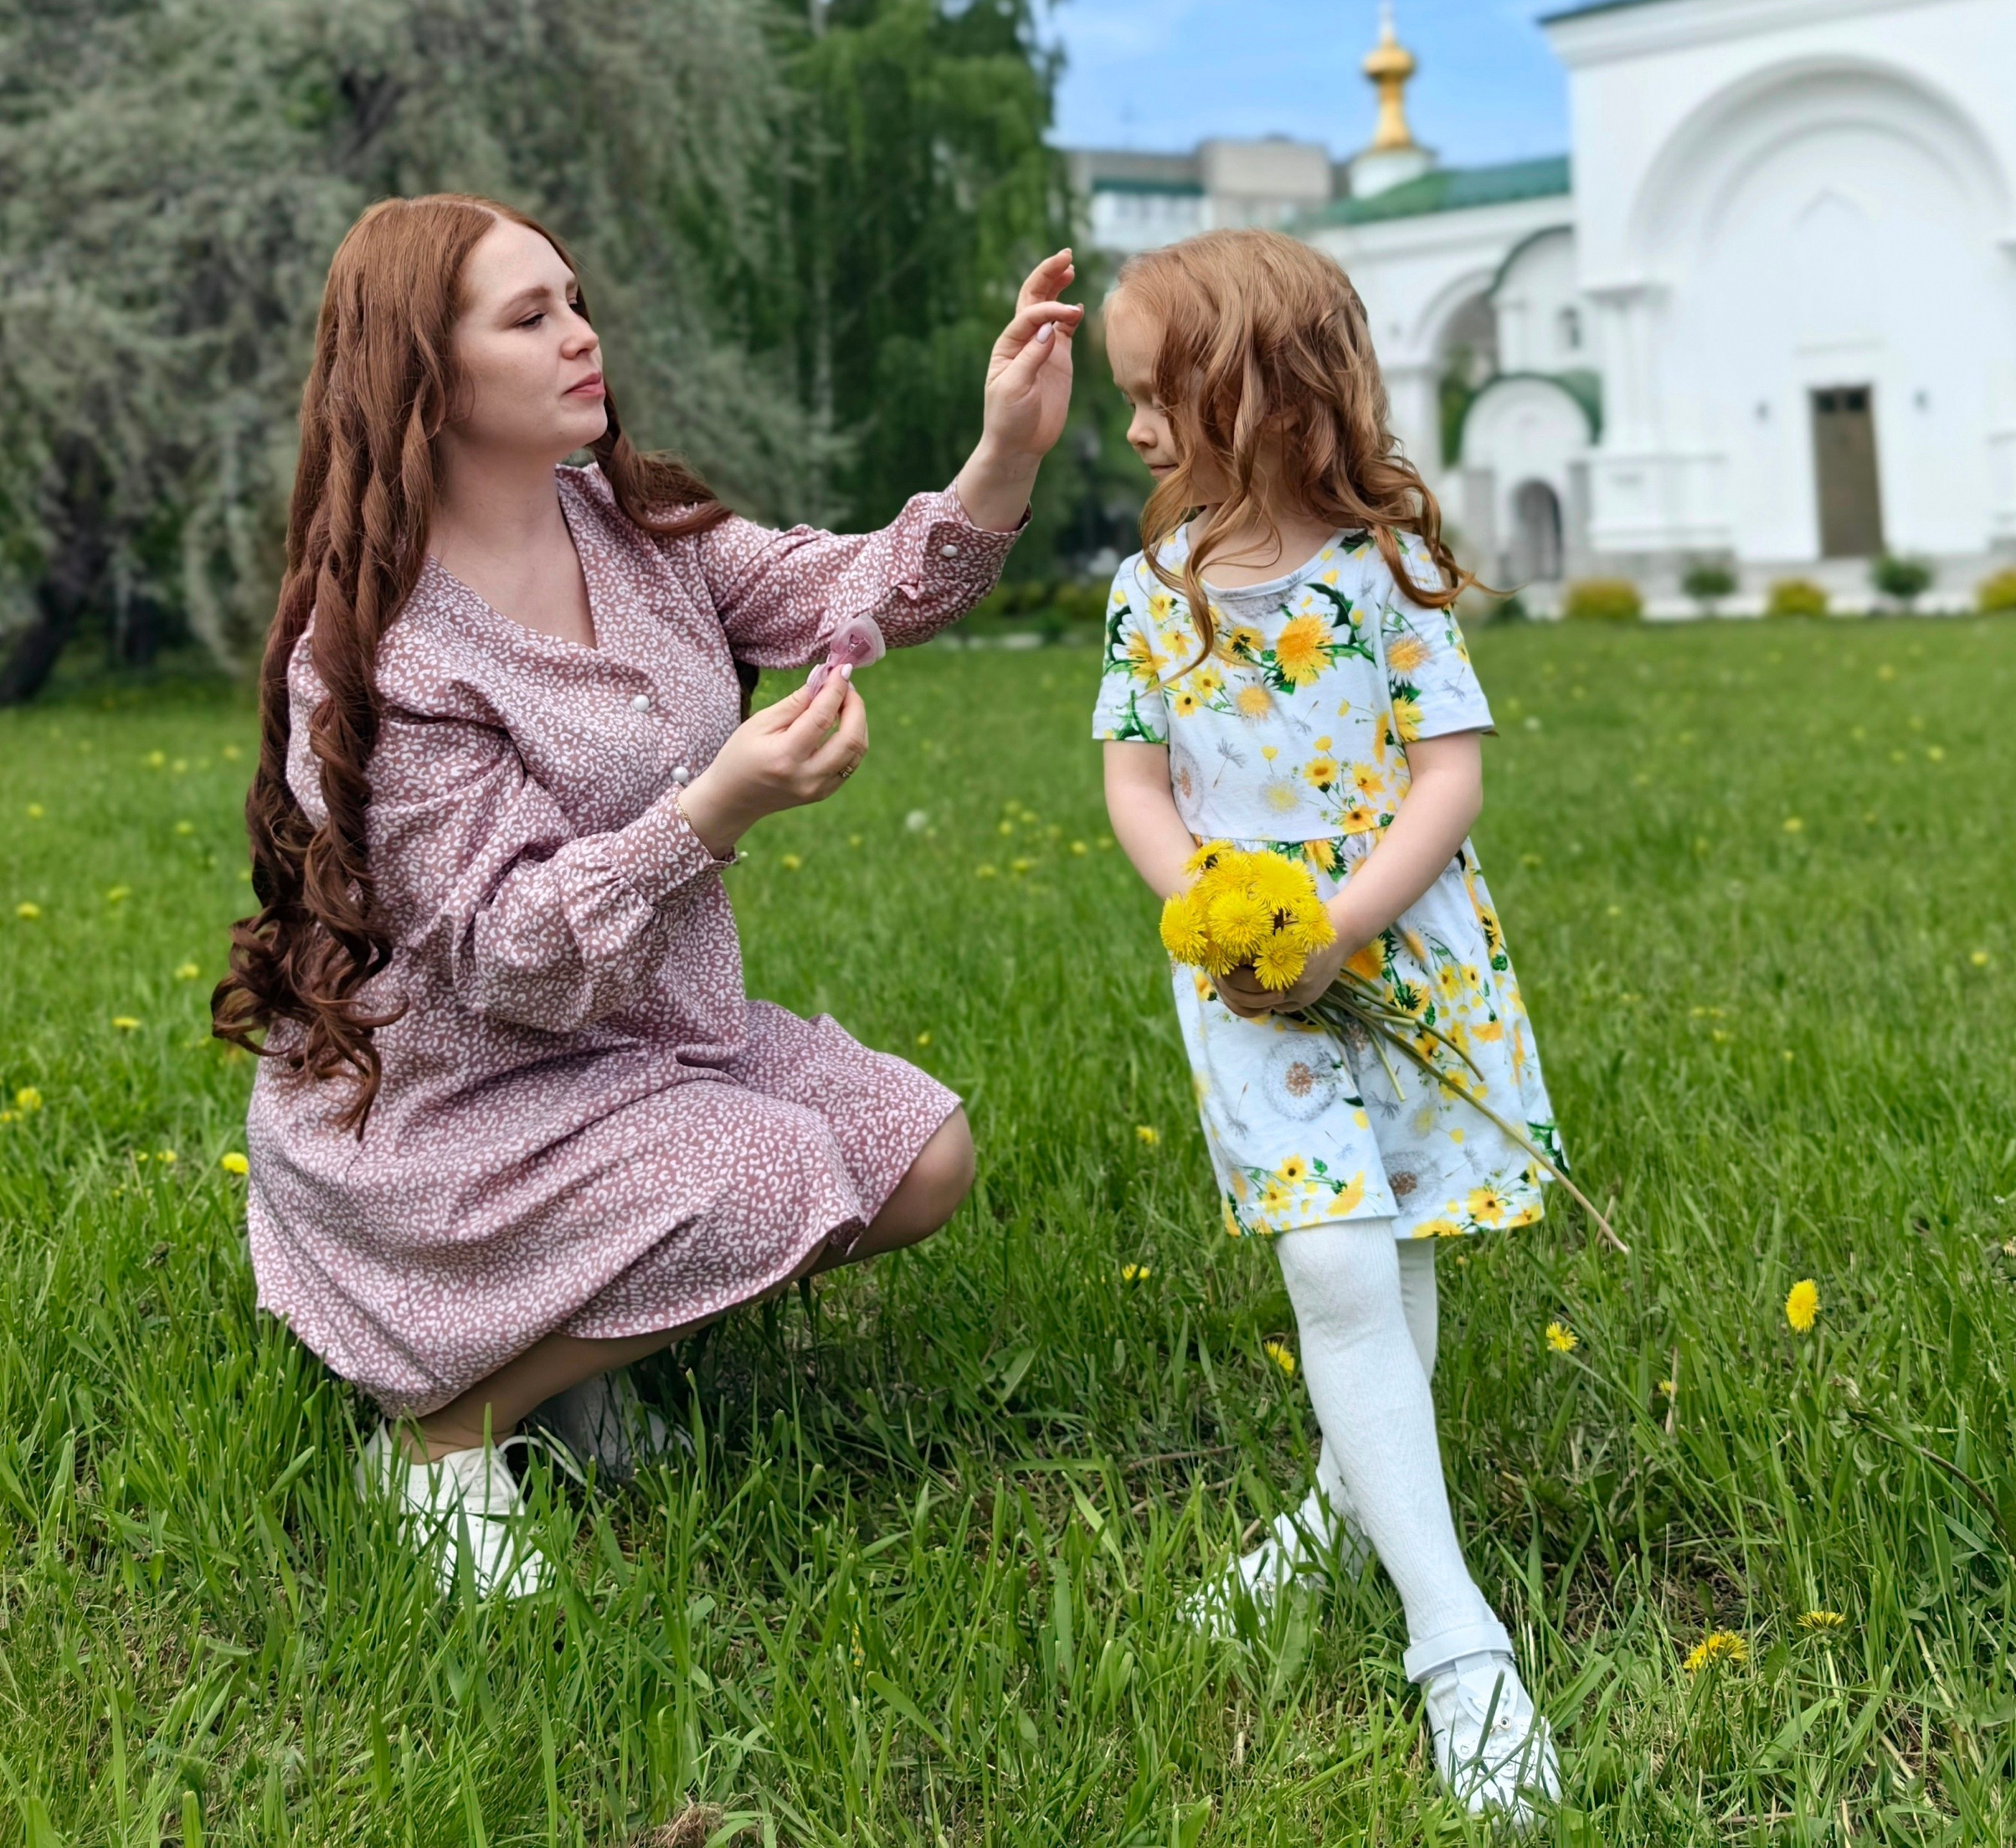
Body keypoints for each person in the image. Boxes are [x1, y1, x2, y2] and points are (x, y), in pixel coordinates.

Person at [214, 193, 1077, 1596]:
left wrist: (997, 459)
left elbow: (838, 589)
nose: (582, 333)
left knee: (922, 1157)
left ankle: (567, 1359)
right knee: (775, 1170)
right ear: (422, 373)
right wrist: (715, 809)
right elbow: (505, 959)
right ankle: (443, 1431)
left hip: (641, 1045)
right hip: (454, 1105)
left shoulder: (629, 524)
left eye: (575, 298)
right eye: (530, 314)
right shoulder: (377, 647)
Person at [1093, 231, 1562, 1823]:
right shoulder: (1150, 596)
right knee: (1337, 1258)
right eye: (1132, 400)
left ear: (1267, 389)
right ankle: (1455, 1638)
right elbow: (1135, 780)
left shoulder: (1386, 575)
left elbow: (1451, 771)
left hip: (1402, 950)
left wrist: (1341, 920)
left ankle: (1330, 1518)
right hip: (1240, 980)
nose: (1142, 431)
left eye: (1165, 395)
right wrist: (1216, 909)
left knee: (1402, 1242)